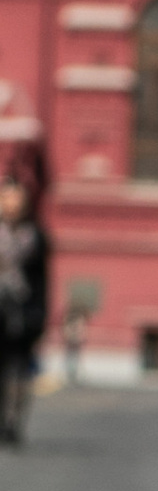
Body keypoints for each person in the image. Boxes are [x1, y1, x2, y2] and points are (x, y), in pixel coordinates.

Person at [0, 169, 47, 450]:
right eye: (6, 198)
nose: (11, 204)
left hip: (23, 311)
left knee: (19, 369)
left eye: (16, 198)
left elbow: (42, 281)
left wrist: (39, 315)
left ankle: (12, 422)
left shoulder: (35, 236)